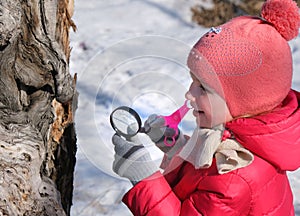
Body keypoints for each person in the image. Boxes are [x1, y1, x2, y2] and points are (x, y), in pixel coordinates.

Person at [111, 0, 300, 215]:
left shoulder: (234, 177)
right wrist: (176, 147)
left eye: (203, 88)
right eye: (193, 81)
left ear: (244, 99)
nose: (189, 94)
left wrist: (145, 177)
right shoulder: (236, 140)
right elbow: (203, 174)